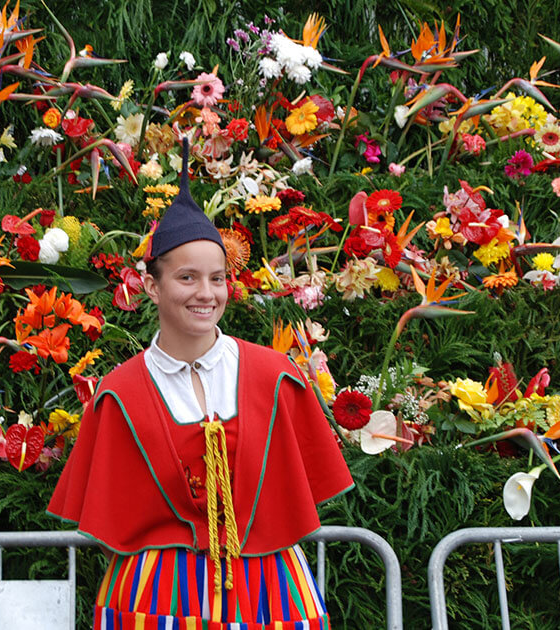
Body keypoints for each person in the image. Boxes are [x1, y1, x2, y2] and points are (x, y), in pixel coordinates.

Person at [48, 139, 353, 629]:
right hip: (152, 595)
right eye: (187, 278)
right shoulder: (119, 394)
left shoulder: (275, 376)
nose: (207, 293)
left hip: (272, 591)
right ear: (152, 285)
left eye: (217, 278)